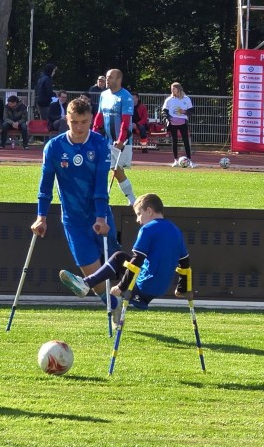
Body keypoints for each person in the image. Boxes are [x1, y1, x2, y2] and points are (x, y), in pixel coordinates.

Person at [32, 97, 120, 309]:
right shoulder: (54, 147)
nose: (79, 127)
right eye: (74, 122)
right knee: (93, 274)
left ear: (91, 119)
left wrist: (101, 217)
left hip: (99, 214)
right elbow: (45, 186)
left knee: (118, 263)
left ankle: (122, 297)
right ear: (67, 120)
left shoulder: (99, 144)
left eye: (84, 122)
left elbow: (101, 185)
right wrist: (41, 217)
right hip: (73, 220)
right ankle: (114, 305)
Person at [58, 193, 190, 323]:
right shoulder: (176, 231)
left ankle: (87, 284)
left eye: (139, 214)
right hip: (161, 289)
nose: (138, 220)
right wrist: (181, 288)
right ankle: (96, 290)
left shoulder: (147, 229)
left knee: (118, 257)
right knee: (122, 258)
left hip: (143, 287)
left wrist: (121, 287)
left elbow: (136, 261)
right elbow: (185, 263)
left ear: (149, 211)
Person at [94, 69, 139, 205]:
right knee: (108, 168)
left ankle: (132, 200)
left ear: (119, 79)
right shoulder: (103, 95)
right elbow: (99, 116)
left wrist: (120, 140)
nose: (107, 80)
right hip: (106, 140)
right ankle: (131, 200)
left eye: (110, 77)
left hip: (122, 142)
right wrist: (93, 134)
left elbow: (126, 120)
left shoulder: (126, 97)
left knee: (117, 171)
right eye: (106, 77)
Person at [162, 82, 195, 167]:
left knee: (186, 141)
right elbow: (164, 111)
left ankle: (189, 160)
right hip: (173, 122)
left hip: (183, 122)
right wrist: (168, 118)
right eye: (171, 89)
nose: (172, 90)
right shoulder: (169, 99)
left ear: (178, 89)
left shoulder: (186, 99)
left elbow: (191, 111)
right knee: (174, 141)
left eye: (174, 88)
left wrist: (184, 112)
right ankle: (175, 160)